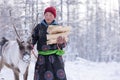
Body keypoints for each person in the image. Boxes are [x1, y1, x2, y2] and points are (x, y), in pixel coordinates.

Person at [32, 6, 67, 80]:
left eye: (50, 15)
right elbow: (33, 38)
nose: (48, 17)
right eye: (46, 15)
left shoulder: (58, 28)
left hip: (55, 58)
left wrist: (61, 43)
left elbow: (64, 44)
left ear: (54, 16)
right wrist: (31, 44)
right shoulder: (39, 27)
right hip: (42, 58)